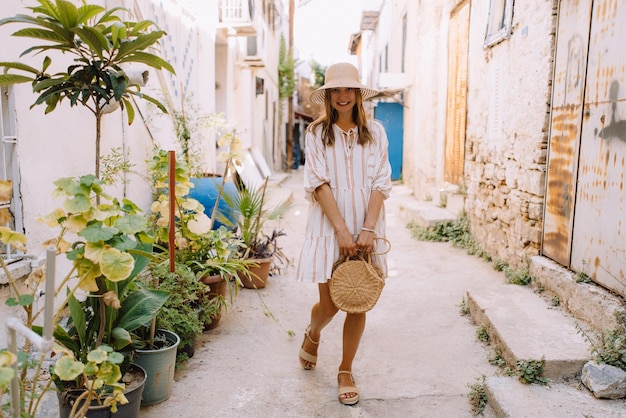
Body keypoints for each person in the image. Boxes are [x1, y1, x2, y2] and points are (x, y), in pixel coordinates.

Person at [295, 62, 392, 406]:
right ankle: (313, 332)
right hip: (328, 225)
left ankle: (345, 370)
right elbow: (318, 182)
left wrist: (367, 228)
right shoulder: (317, 133)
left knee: (358, 298)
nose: (342, 96)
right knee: (331, 303)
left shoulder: (377, 132)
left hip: (367, 226)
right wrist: (341, 231)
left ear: (357, 94)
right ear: (328, 95)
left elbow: (381, 181)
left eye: (348, 89)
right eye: (335, 90)